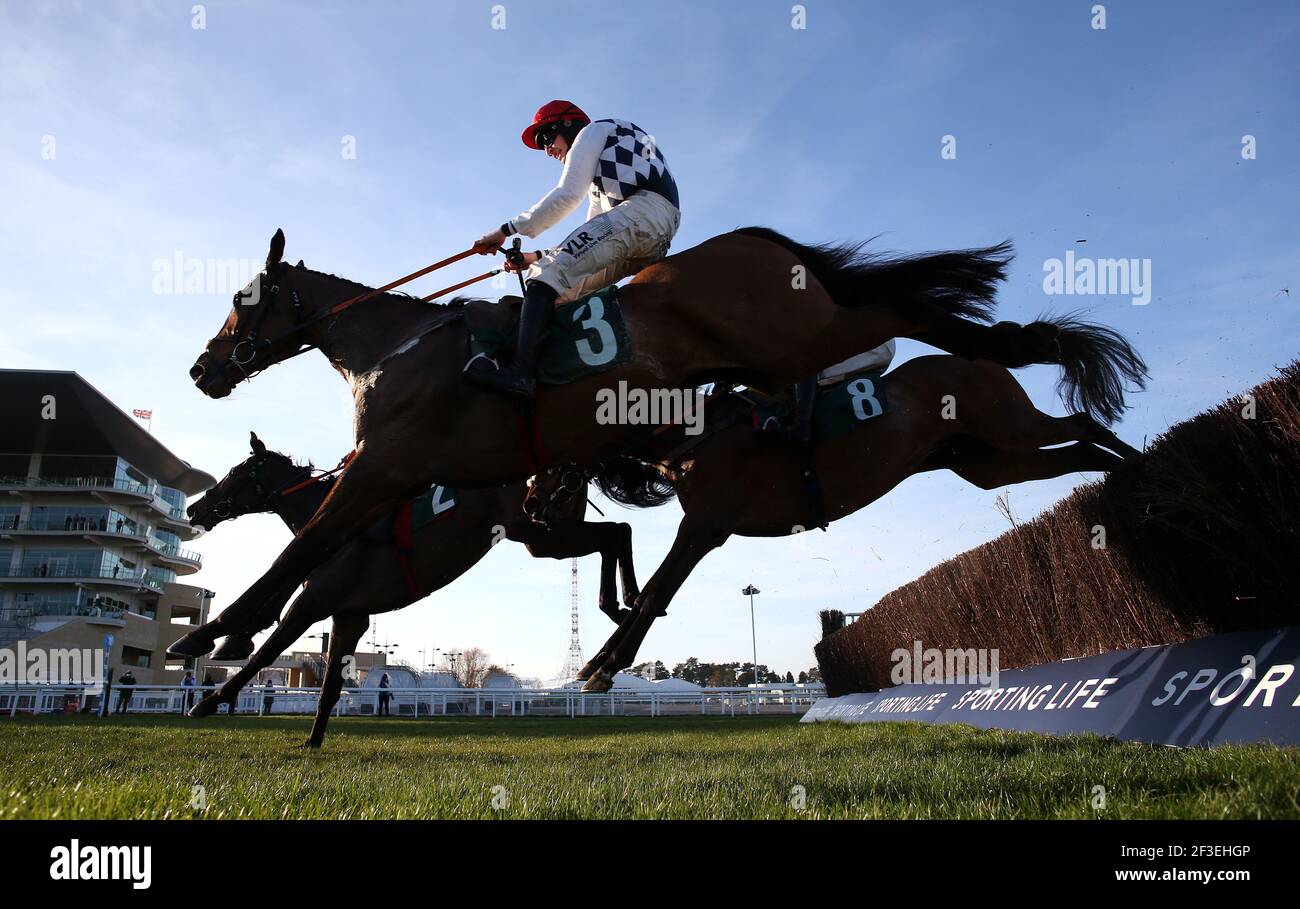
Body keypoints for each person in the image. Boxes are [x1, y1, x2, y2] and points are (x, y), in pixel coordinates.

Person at [465, 101, 682, 398]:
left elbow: (567, 195)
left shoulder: (594, 130)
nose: (546, 150)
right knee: (559, 287)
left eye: (546, 137)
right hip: (648, 227)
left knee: (549, 276)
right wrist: (534, 258)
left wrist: (504, 231)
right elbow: (588, 241)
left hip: (644, 211)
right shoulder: (599, 185)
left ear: (567, 124)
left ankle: (521, 374)